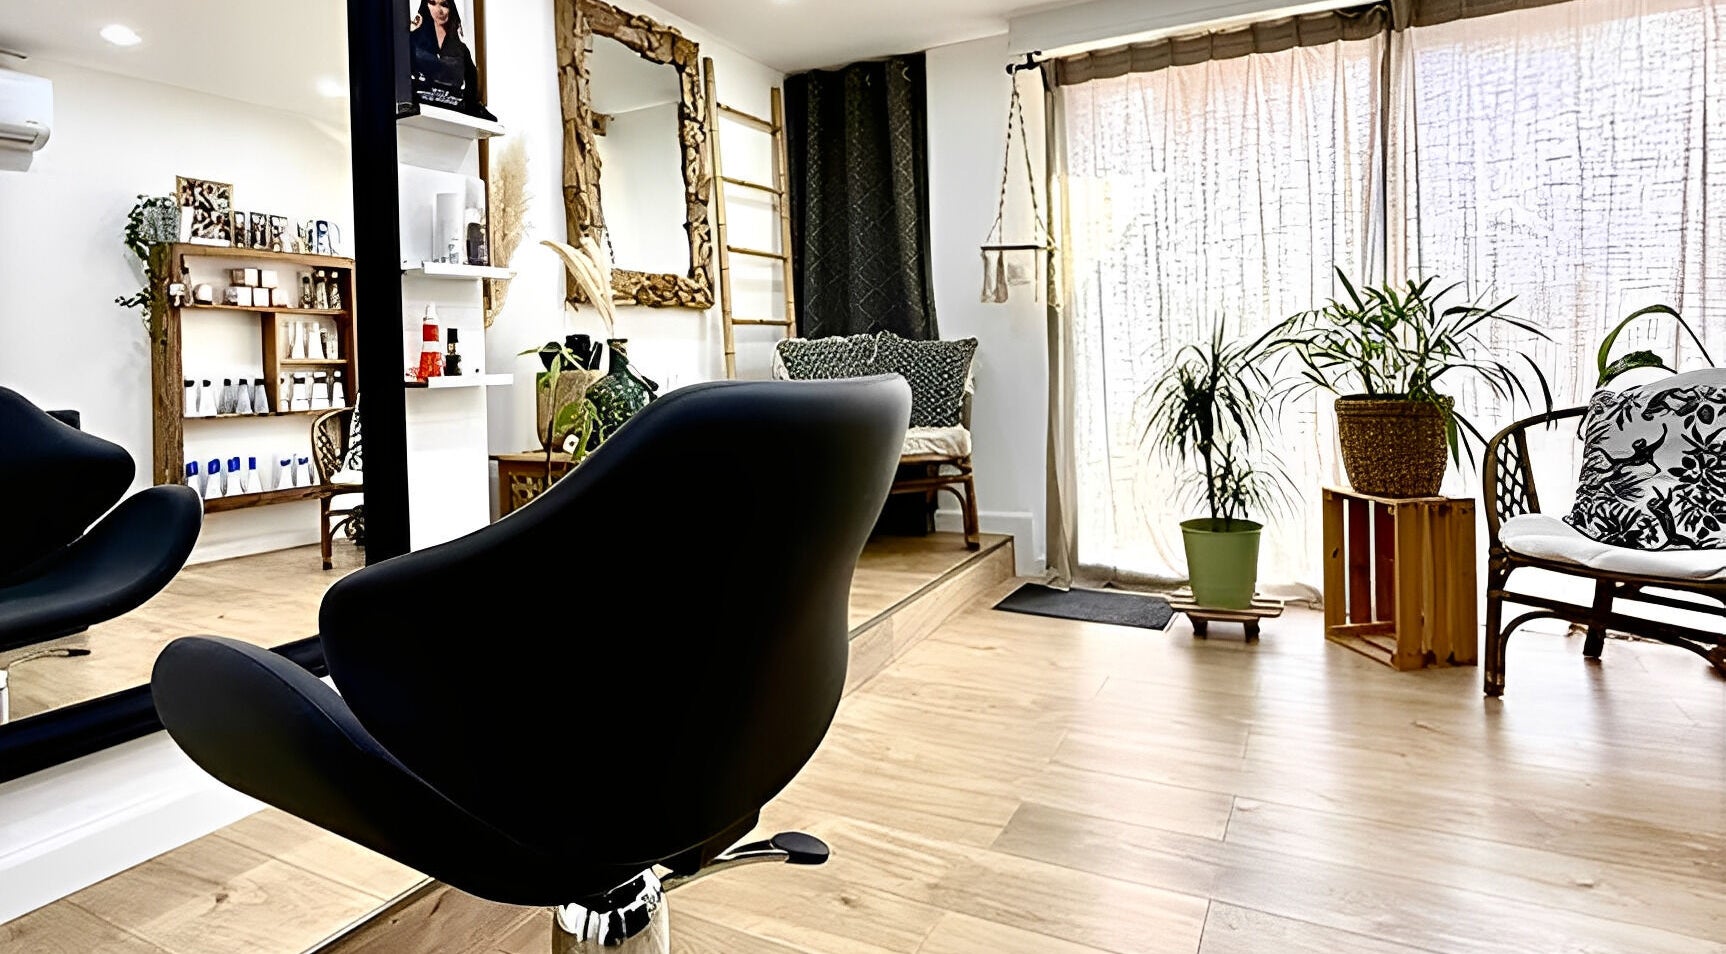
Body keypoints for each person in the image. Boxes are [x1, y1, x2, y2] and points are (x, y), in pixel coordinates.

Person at [408, 0, 496, 120]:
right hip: (419, 111)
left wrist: (471, 106)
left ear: (451, 8)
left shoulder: (461, 49)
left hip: (454, 113)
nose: (439, 10)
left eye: (444, 5)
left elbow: (471, 79)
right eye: (432, 3)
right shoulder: (413, 41)